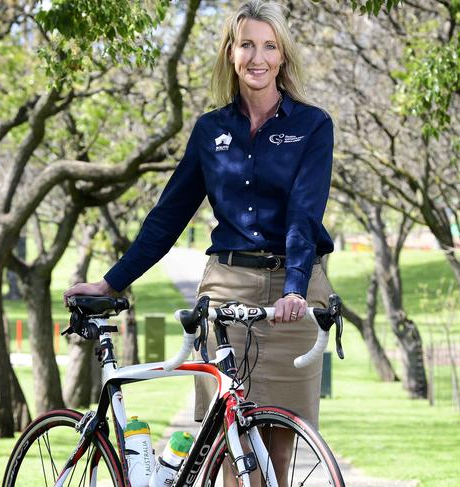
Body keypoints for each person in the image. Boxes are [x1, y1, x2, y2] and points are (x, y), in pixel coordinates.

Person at [64, 1, 335, 485]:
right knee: (231, 443)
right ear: (231, 54)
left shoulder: (312, 126)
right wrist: (111, 281)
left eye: (270, 46)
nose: (259, 56)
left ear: (283, 57)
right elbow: (168, 217)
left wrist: (295, 286)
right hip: (229, 285)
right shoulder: (211, 130)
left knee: (277, 448)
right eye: (247, 44)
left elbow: (304, 215)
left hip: (294, 294)